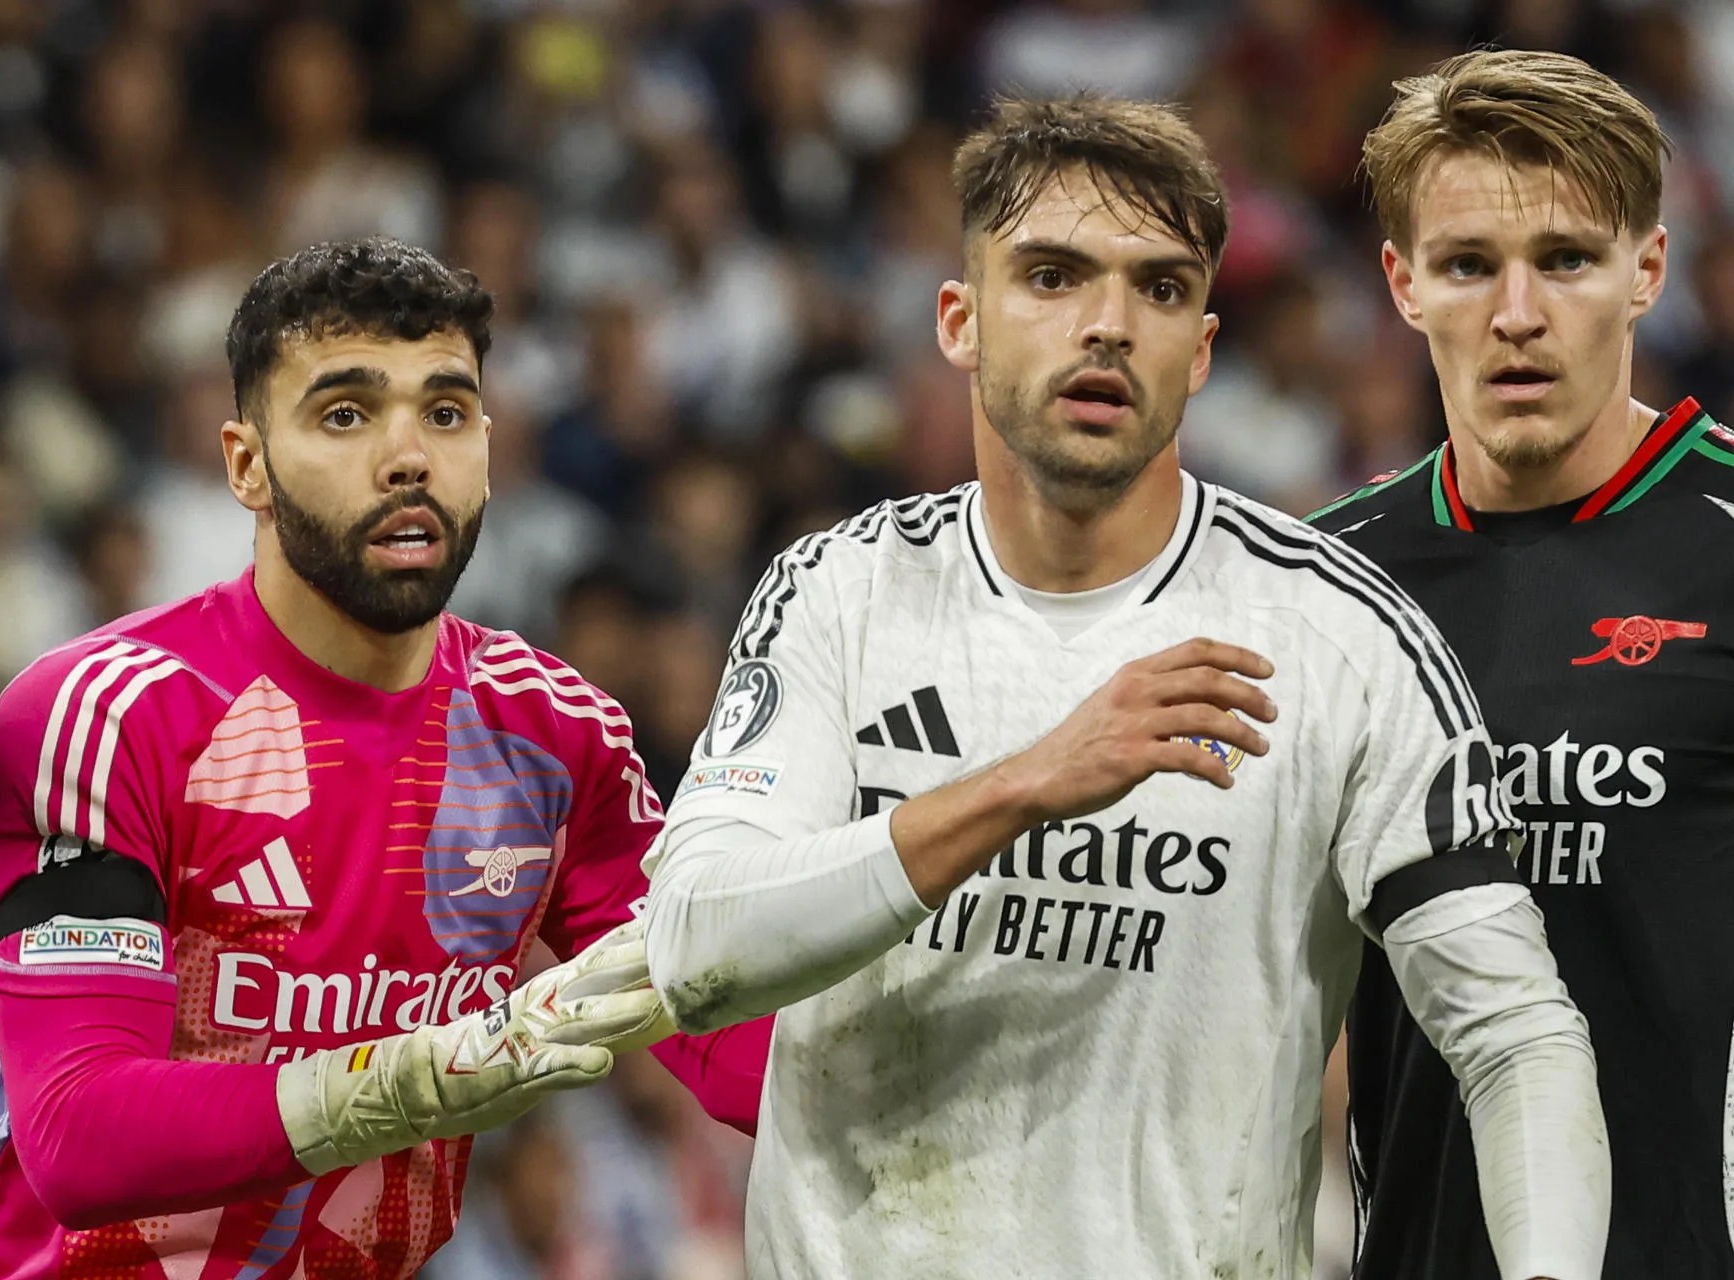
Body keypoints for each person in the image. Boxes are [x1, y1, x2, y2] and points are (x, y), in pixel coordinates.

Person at [642, 93, 1608, 1279]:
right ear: (962, 320)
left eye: (1157, 288)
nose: (1107, 326)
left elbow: (1517, 1034)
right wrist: (1028, 782)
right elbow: (695, 944)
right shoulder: (841, 593)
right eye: (1052, 277)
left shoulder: (1340, 634)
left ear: (1199, 349)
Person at [0, 237, 767, 1280]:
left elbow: (723, 1031)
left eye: (447, 412)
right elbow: (79, 1130)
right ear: (246, 464)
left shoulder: (551, 732)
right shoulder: (106, 712)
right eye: (345, 413)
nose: (408, 455)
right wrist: (402, 1080)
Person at [1307, 49, 1734, 1280]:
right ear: (1401, 283)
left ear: (1648, 269)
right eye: (1466, 265)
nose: (1517, 314)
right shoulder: (1330, 584)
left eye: (1566, 259)